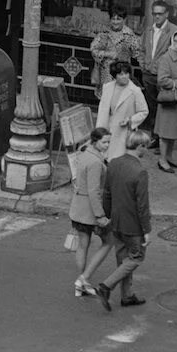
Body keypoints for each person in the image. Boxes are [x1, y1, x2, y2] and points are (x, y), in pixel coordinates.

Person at [91, 128, 152, 310]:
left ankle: (127, 295)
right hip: (133, 225)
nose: (146, 150)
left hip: (116, 221)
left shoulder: (114, 163)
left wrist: (107, 216)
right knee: (136, 258)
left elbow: (107, 194)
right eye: (145, 146)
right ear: (140, 146)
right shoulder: (140, 171)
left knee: (123, 259)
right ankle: (106, 286)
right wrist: (147, 230)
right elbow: (142, 205)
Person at [66, 125, 113, 297]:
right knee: (109, 241)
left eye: (109, 142)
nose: (107, 145)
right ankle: (83, 279)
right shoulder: (95, 162)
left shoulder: (84, 153)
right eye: (104, 142)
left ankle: (81, 283)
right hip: (90, 212)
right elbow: (94, 191)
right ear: (95, 141)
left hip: (78, 208)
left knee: (83, 245)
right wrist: (100, 215)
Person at [151, 26, 177, 172]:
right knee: (166, 131)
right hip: (170, 99)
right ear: (172, 41)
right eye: (176, 41)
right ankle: (162, 160)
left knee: (174, 131)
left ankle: (169, 157)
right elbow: (162, 80)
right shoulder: (166, 58)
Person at [139, 0, 177, 140]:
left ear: (166, 14)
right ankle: (154, 137)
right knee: (151, 106)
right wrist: (143, 64)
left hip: (163, 76)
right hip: (148, 74)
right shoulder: (149, 30)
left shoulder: (173, 31)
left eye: (160, 14)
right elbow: (141, 49)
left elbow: (175, 54)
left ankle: (163, 138)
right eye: (154, 14)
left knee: (164, 108)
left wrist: (163, 68)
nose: (157, 17)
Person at [96, 61, 150, 144]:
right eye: (121, 74)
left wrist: (130, 120)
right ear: (115, 76)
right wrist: (99, 130)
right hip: (109, 128)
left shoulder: (135, 91)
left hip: (126, 130)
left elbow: (144, 111)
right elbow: (102, 111)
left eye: (126, 73)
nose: (124, 76)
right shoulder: (107, 87)